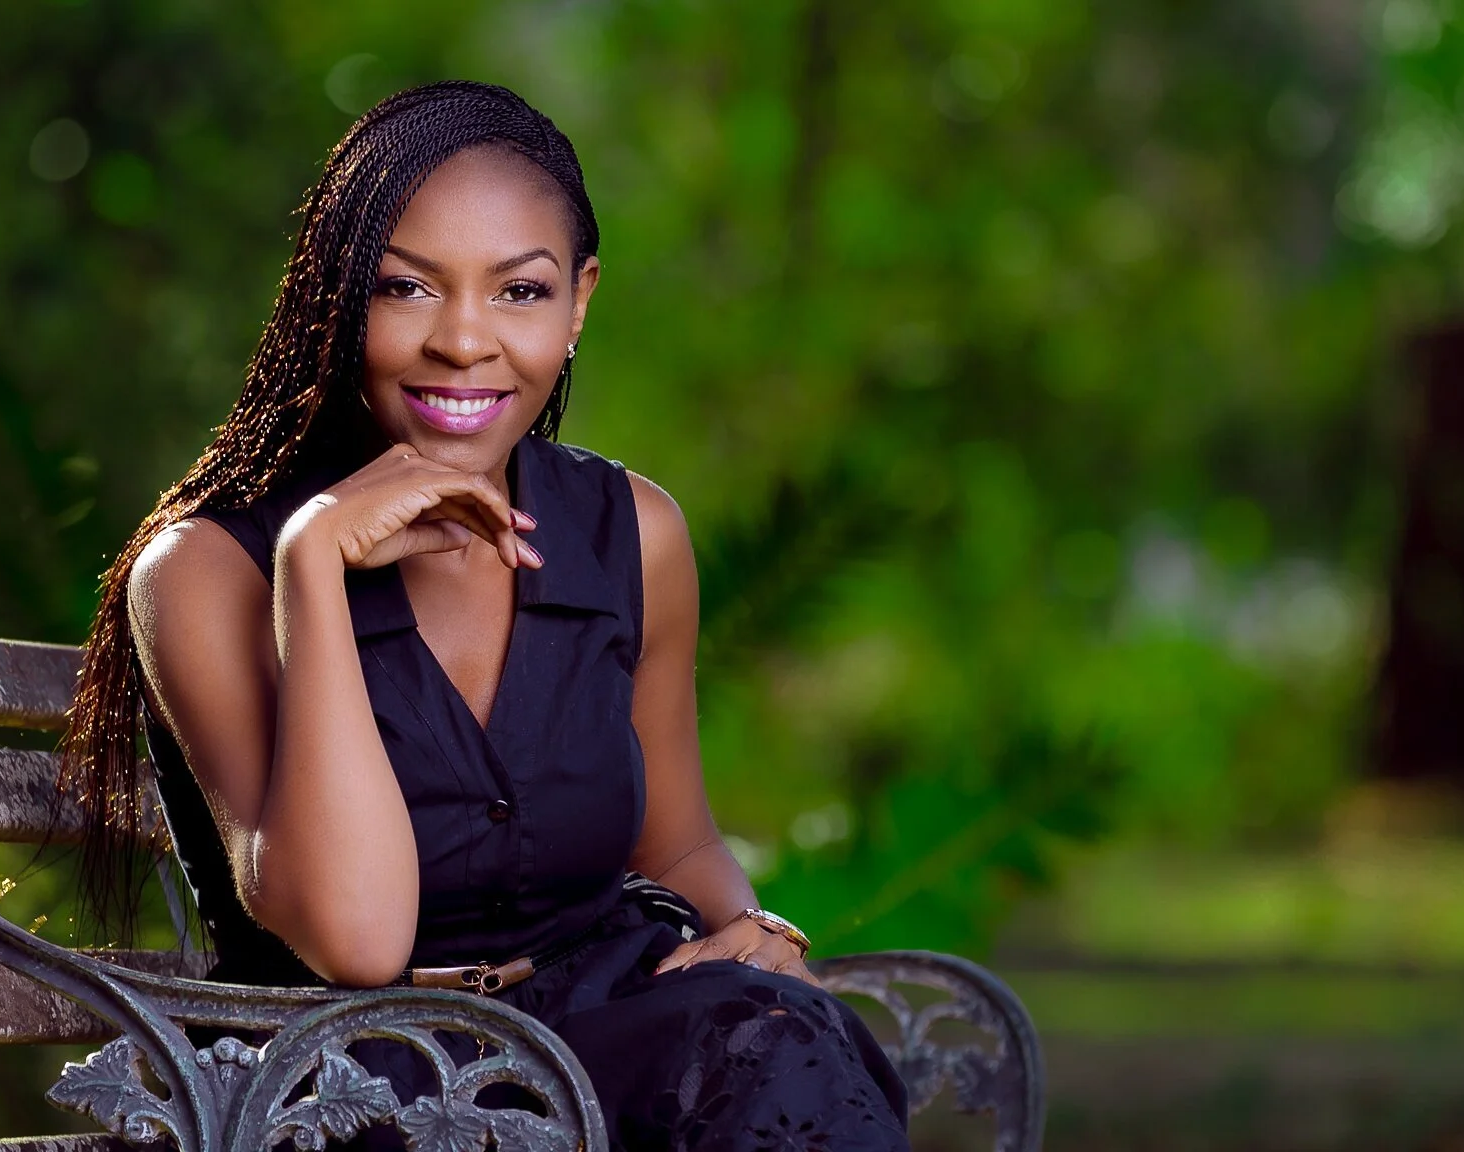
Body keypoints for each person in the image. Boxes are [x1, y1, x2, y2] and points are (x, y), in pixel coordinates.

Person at [59, 80, 911, 1150]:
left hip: (598, 1024)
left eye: (518, 292)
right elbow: (355, 940)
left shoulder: (631, 533)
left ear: (579, 302)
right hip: (351, 1081)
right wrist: (314, 569)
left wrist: (754, 931)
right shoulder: (204, 571)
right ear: (335, 299)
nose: (464, 342)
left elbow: (678, 839)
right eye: (406, 288)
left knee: (774, 1033)